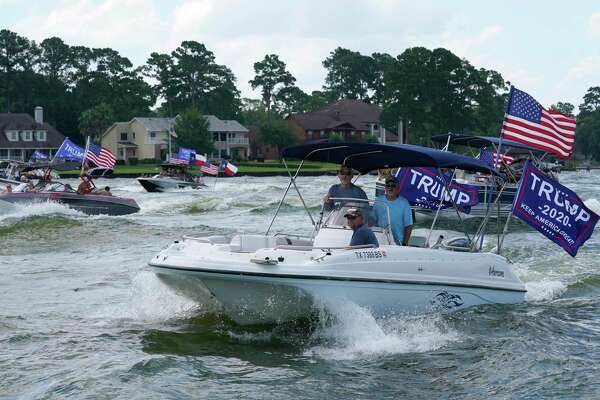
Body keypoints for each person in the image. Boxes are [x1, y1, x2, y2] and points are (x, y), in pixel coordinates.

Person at [372, 176, 413, 246]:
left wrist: (405, 243)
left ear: (398, 188)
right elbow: (372, 219)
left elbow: (409, 226)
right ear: (385, 187)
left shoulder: (404, 203)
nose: (390, 188)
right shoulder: (378, 200)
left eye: (393, 186)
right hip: (381, 240)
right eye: (388, 185)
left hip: (398, 243)